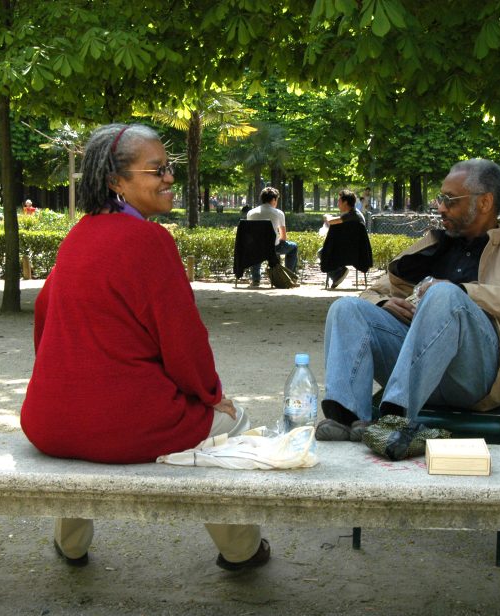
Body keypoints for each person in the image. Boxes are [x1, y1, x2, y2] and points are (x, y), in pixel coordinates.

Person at [21, 123, 270, 571]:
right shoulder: (150, 241)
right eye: (157, 170)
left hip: (48, 422)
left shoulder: (78, 235)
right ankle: (242, 551)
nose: (170, 178)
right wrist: (213, 396)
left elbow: (44, 317)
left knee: (88, 430)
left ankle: (71, 544)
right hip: (122, 426)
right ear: (117, 181)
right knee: (232, 425)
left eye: (169, 168)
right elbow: (183, 341)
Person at [314, 159, 500, 452]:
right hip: (417, 370)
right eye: (440, 198)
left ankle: (395, 421)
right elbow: (371, 291)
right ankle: (348, 418)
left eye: (449, 200)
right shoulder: (431, 246)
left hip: (478, 378)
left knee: (445, 295)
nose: (440, 207)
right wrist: (383, 303)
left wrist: (464, 292)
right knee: (346, 308)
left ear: (485, 202)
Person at [245, 186, 298, 288]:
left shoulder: (250, 213)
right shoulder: (278, 213)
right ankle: (289, 277)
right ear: (274, 199)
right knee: (293, 247)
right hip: (274, 248)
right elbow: (283, 237)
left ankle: (255, 280)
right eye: (277, 199)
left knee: (256, 249)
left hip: (256, 248)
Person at [320, 189, 370, 289]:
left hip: (344, 253)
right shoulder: (356, 215)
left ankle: (339, 273)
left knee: (322, 252)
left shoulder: (351, 215)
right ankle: (339, 273)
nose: (337, 203)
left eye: (339, 201)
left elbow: (331, 222)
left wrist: (326, 216)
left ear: (345, 202)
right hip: (359, 252)